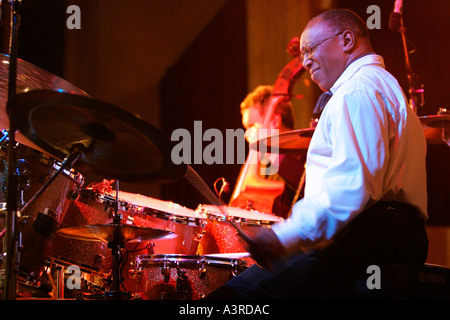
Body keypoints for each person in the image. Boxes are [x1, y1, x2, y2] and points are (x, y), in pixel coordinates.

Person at [207, 8, 428, 299]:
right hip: (397, 234)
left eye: (310, 49)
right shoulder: (384, 86)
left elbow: (349, 191)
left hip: (366, 236)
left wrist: (282, 236)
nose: (306, 61)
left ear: (347, 40)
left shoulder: (356, 92)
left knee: (232, 298)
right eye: (302, 54)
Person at [229, 85, 304, 218]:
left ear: (274, 121)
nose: (247, 133)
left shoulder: (304, 154)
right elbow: (243, 193)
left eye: (252, 125)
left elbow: (308, 184)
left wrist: (264, 145)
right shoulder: (265, 164)